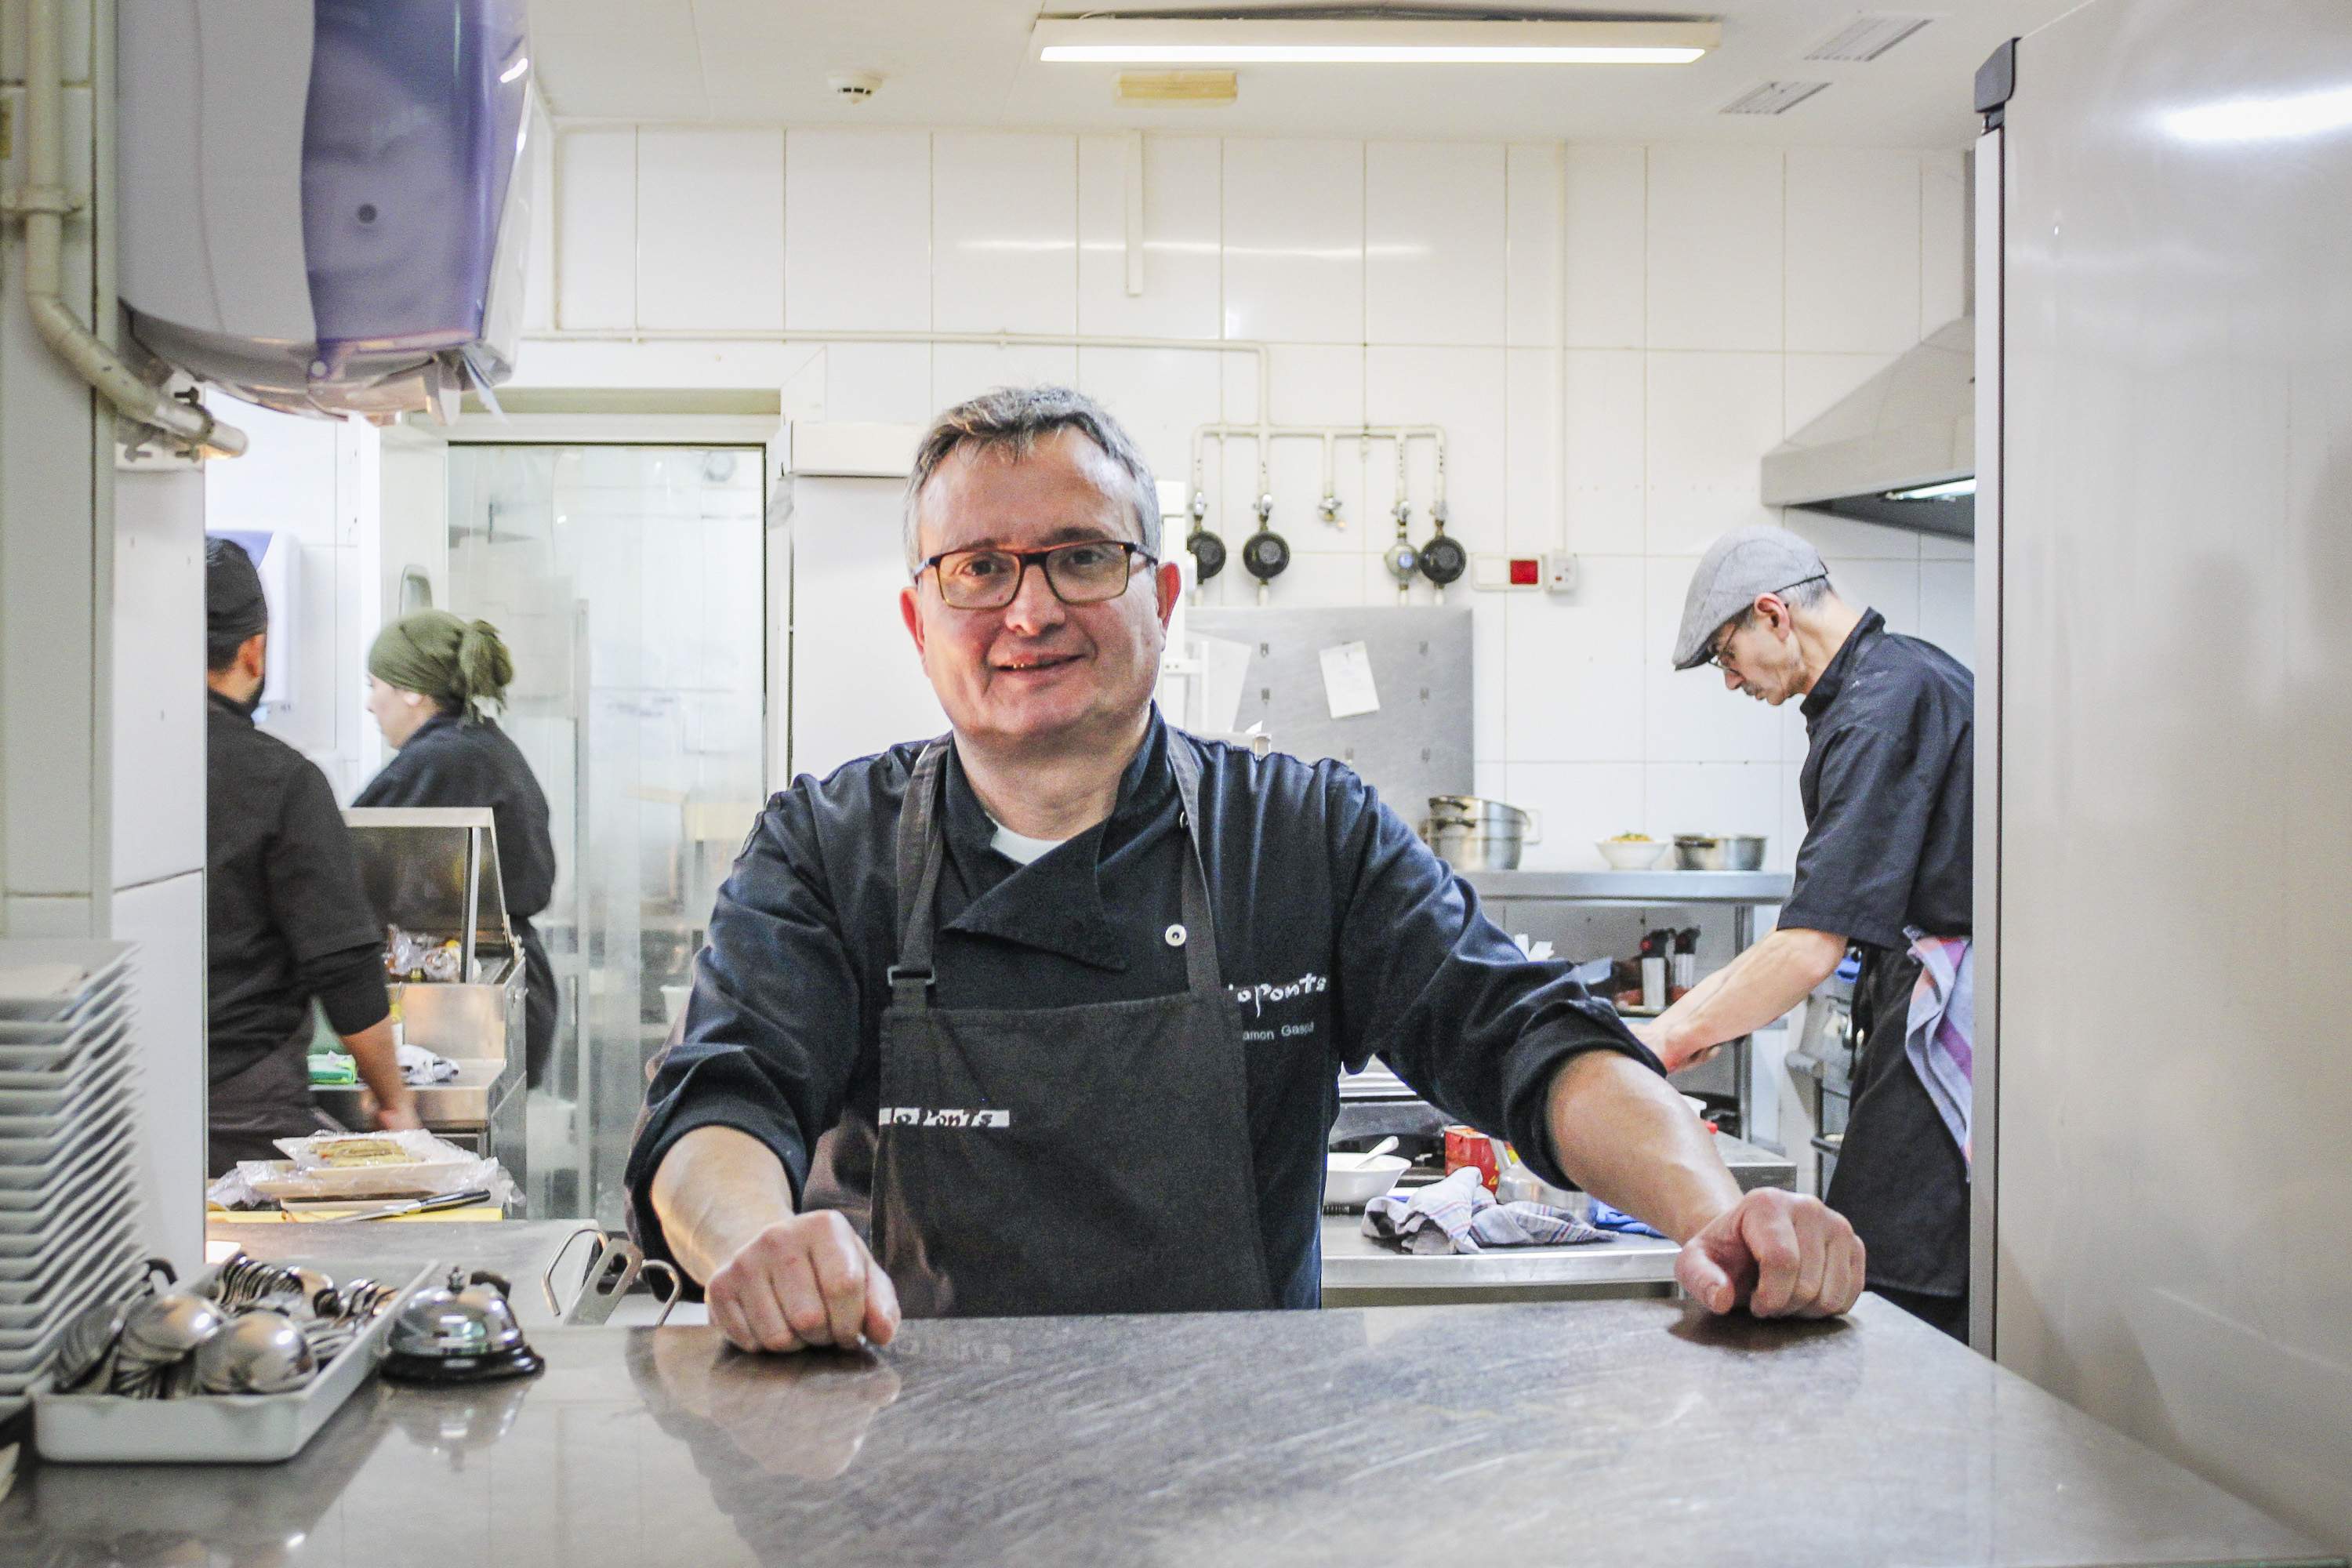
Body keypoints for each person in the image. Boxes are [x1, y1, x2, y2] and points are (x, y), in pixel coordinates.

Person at [627, 387, 1865, 1355]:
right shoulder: (825, 846)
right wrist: (755, 1242)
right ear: (919, 619)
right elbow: (720, 1108)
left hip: (1238, 1479)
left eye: (1082, 557)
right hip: (899, 1455)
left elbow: (1533, 1040)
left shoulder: (1301, 834)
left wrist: (1717, 1216)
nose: (1029, 609)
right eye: (978, 568)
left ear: (1163, 595)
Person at [1642, 524, 1974, 1341]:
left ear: (1772, 614)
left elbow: (1808, 946)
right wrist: (1691, 1021)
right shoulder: (1901, 675)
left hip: (1952, 1012)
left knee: (1893, 1278)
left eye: (1725, 655)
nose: (1729, 680)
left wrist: (1660, 1044)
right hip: (1923, 992)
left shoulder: (1879, 709)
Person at [204, 538, 416, 1176]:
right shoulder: (282, 781)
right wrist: (394, 1101)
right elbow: (344, 969)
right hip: (241, 1109)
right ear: (255, 649)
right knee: (248, 1274)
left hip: (98, 1102)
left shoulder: (86, 767)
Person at [356, 611, 559, 1087]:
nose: (370, 704)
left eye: (375, 685)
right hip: (514, 989)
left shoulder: (440, 760)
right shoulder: (479, 745)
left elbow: (344, 870)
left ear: (411, 690)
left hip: (472, 1011)